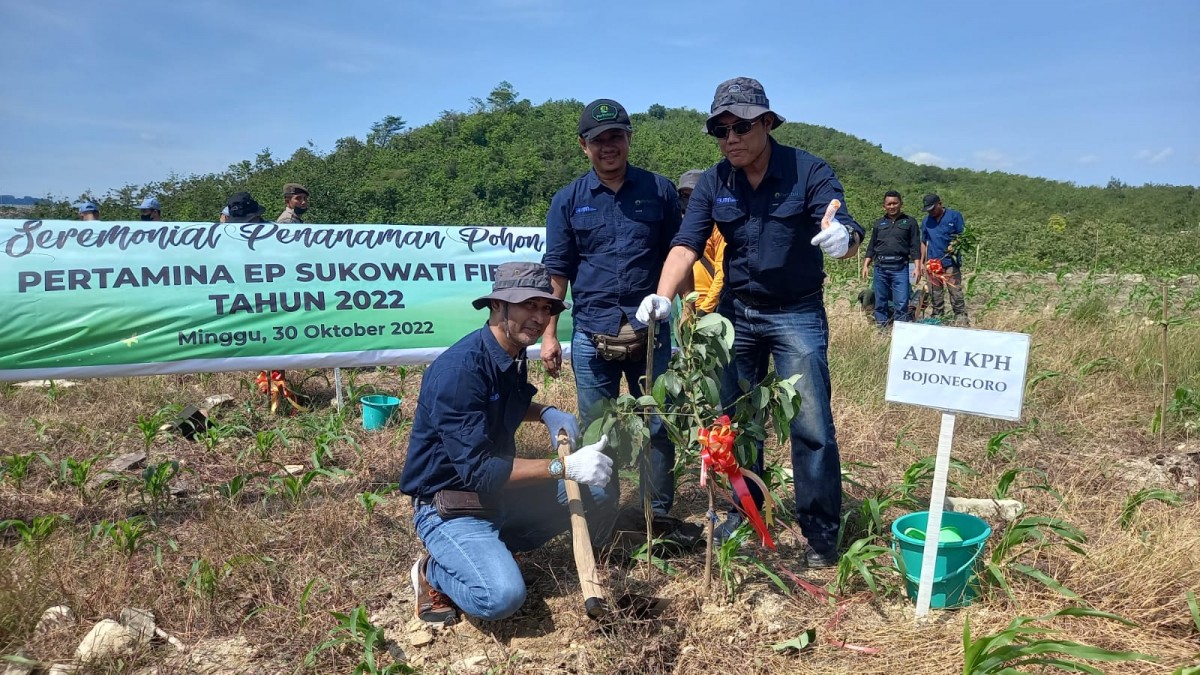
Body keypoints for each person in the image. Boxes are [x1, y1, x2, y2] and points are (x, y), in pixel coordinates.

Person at [641, 77, 864, 568]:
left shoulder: (808, 170)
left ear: (766, 122)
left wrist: (841, 238)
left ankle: (821, 538)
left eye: (741, 126)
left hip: (796, 312)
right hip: (734, 313)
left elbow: (841, 223)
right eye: (720, 130)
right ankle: (746, 518)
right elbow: (687, 242)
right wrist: (662, 297)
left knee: (810, 424)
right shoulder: (716, 180)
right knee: (736, 421)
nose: (731, 138)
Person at [399, 262, 616, 625]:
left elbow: (504, 402)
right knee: (501, 597)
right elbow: (481, 471)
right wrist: (563, 466)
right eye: (529, 305)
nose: (539, 317)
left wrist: (546, 411)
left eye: (545, 308)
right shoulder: (459, 372)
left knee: (599, 491)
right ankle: (432, 571)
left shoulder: (511, 354)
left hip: (495, 494)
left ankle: (494, 548)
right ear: (498, 306)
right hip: (450, 503)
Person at [541, 98, 682, 517]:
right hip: (591, 335)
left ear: (629, 139)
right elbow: (558, 271)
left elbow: (679, 252)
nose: (608, 146)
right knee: (598, 429)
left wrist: (685, 312)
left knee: (657, 425)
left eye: (616, 137)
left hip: (651, 334)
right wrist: (549, 334)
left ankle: (655, 514)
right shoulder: (567, 201)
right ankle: (603, 514)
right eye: (598, 139)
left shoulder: (660, 190)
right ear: (583, 145)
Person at [861, 191, 922, 327]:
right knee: (880, 300)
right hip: (880, 267)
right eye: (889, 204)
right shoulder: (879, 223)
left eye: (895, 203)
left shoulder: (910, 222)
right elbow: (872, 246)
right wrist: (866, 265)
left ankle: (901, 330)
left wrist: (918, 267)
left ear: (901, 204)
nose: (892, 206)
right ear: (884, 206)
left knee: (901, 302)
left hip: (900, 268)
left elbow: (915, 246)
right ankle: (881, 329)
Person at [680, 169, 726, 316]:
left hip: (709, 310)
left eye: (694, 195)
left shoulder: (718, 227)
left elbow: (722, 271)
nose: (689, 200)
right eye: (684, 195)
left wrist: (705, 309)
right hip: (682, 310)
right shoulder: (677, 225)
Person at [920, 193, 969, 325]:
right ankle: (938, 316)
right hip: (932, 263)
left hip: (950, 262)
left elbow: (963, 236)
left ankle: (960, 316)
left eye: (933, 209)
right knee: (934, 292)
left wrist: (955, 245)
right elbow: (923, 242)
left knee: (955, 291)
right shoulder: (926, 221)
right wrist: (921, 262)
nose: (931, 212)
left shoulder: (954, 216)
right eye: (928, 210)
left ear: (940, 204)